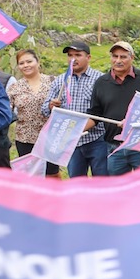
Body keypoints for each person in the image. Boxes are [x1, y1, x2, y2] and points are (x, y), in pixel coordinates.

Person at [84, 41, 140, 175]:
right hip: (114, 147)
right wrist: (73, 131)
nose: (118, 60)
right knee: (118, 189)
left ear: (132, 58)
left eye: (123, 57)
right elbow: (95, 114)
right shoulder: (101, 83)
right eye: (115, 56)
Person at [42, 41, 108, 177]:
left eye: (78, 55)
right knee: (76, 182)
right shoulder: (60, 81)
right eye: (70, 55)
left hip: (97, 139)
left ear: (88, 57)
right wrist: (51, 106)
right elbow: (44, 109)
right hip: (71, 141)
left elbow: (107, 107)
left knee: (102, 181)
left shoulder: (100, 79)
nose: (73, 59)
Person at [5, 49, 59, 178]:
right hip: (25, 137)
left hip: (49, 137)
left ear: (37, 62)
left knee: (52, 174)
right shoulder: (15, 88)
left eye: (29, 61)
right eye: (22, 63)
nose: (26, 65)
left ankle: (56, 198)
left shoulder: (53, 81)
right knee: (30, 175)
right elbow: (7, 112)